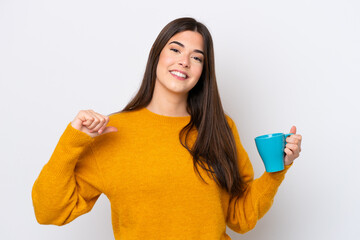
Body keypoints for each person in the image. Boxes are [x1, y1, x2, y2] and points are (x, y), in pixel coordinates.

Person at [32, 17, 302, 240]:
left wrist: (276, 170)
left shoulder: (219, 127)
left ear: (202, 72)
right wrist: (72, 139)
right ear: (157, 55)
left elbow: (240, 219)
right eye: (175, 49)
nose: (184, 61)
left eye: (197, 58)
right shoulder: (112, 131)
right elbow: (49, 211)